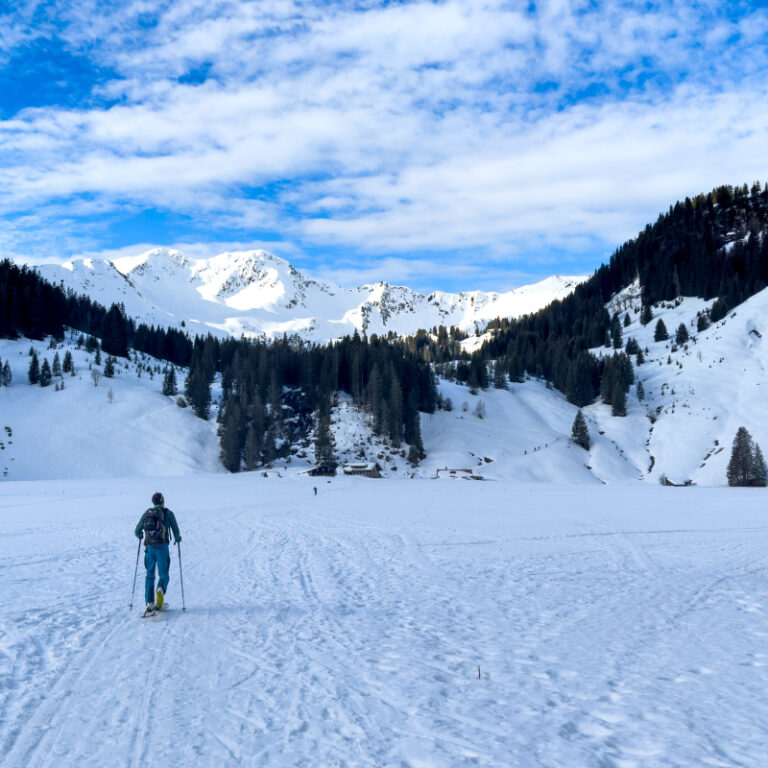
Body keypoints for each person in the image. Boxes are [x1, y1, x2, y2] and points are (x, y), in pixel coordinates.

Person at [135, 492, 181, 614]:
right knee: (163, 574)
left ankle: (149, 602)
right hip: (162, 548)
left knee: (150, 575)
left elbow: (137, 530)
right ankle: (160, 589)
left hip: (149, 549)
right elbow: (176, 531)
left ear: (153, 502)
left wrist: (140, 535)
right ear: (162, 502)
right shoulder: (168, 513)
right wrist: (177, 538)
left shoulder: (147, 513)